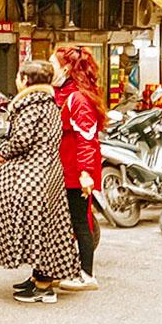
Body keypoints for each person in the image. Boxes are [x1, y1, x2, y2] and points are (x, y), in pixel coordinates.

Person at [0, 61, 82, 304]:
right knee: (49, 226)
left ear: (26, 80)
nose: (16, 79)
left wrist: (3, 151)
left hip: (34, 172)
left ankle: (44, 287)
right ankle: (39, 277)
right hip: (49, 171)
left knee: (33, 223)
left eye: (19, 76)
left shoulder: (30, 105)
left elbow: (21, 141)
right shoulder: (48, 103)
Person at [52, 46, 105, 292]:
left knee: (80, 222)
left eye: (53, 63)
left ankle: (87, 275)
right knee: (70, 221)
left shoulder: (77, 99)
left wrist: (85, 173)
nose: (49, 67)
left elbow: (87, 137)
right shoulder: (63, 94)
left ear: (65, 68)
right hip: (66, 169)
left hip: (76, 171)